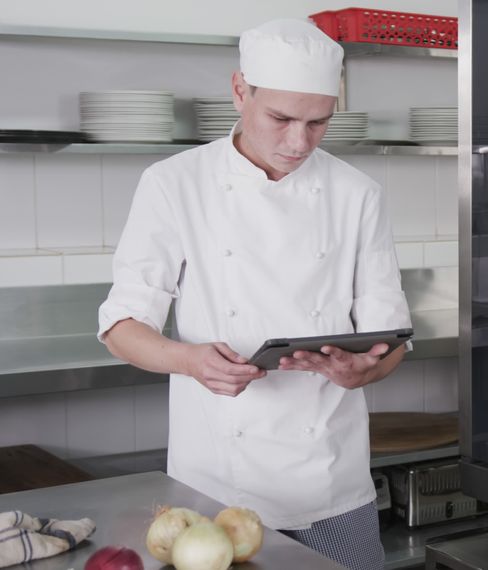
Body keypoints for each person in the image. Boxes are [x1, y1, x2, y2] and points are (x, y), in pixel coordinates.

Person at [96, 18, 411, 570]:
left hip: (332, 484)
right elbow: (121, 326)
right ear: (240, 90)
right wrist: (189, 361)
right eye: (281, 118)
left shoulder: (358, 194)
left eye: (318, 123)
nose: (299, 142)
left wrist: (366, 369)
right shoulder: (175, 183)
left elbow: (393, 336)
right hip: (215, 486)